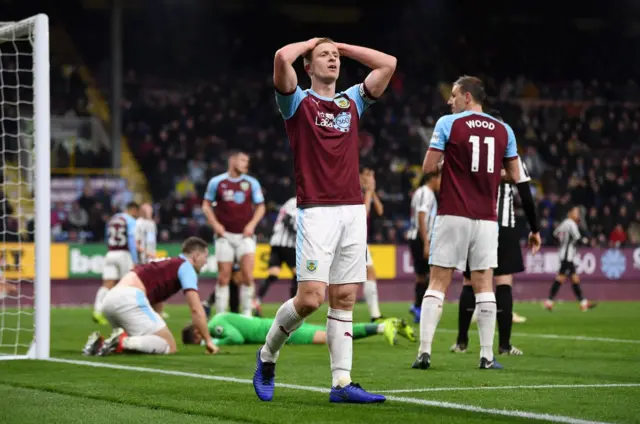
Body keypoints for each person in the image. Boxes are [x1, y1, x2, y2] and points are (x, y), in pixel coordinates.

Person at [253, 37, 396, 404]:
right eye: (324, 56)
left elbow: (388, 64)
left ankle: (341, 384)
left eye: (335, 57)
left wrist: (342, 47)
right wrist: (313, 42)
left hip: (351, 209)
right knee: (311, 299)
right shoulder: (297, 101)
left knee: (345, 297)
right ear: (308, 65)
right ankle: (267, 356)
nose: (332, 60)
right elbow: (280, 55)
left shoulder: (352, 101)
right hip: (316, 210)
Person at [412, 75, 540, 371]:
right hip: (486, 219)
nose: (450, 101)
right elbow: (517, 178)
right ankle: (486, 356)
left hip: (452, 213)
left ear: (467, 97)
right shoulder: (504, 130)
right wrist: (534, 228)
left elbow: (429, 167)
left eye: (454, 95)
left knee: (438, 282)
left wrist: (450, 163)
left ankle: (424, 353)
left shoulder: (448, 123)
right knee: (485, 286)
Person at [451, 110, 541, 357]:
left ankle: (461, 342)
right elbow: (526, 195)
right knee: (503, 283)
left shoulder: (472, 155)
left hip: (476, 223)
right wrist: (535, 229)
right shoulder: (513, 157)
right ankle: (504, 345)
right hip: (505, 225)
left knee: (470, 282)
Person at [82, 237, 217, 356]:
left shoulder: (169, 263)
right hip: (130, 299)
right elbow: (196, 309)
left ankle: (101, 344)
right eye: (205, 256)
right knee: (169, 345)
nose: (205, 262)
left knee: (143, 344)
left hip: (111, 299)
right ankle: (121, 340)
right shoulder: (186, 267)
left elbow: (153, 304)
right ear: (196, 256)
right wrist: (208, 341)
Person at [202, 151, 266, 316]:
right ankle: (221, 316)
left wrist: (252, 225)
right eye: (243, 160)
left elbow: (261, 206)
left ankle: (247, 316)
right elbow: (206, 205)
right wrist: (215, 224)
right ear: (232, 160)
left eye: (247, 160)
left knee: (247, 276)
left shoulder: (252, 183)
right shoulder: (217, 182)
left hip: (245, 236)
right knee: (224, 277)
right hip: (225, 236)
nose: (246, 163)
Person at [182, 312, 411, 347]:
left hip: (281, 330)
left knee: (329, 337)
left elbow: (237, 338)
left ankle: (382, 327)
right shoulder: (218, 317)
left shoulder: (213, 325)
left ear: (196, 333)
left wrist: (209, 343)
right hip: (276, 324)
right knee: (335, 328)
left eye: (198, 339)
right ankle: (383, 325)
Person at [92, 202, 139, 325]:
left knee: (107, 284)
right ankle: (126, 313)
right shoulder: (130, 221)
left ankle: (97, 311)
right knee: (127, 284)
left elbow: (106, 237)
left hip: (111, 253)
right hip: (124, 254)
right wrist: (135, 259)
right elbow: (131, 240)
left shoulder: (112, 219)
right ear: (133, 210)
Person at [544, 206, 596, 312]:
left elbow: (555, 234)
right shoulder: (571, 223)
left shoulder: (564, 223)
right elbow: (578, 238)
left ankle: (583, 302)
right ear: (570, 213)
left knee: (573, 278)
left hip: (565, 254)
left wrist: (562, 241)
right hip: (567, 256)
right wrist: (588, 241)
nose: (577, 215)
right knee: (561, 278)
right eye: (576, 213)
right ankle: (549, 301)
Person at [407, 172, 441, 323]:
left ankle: (418, 306)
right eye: (440, 178)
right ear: (433, 179)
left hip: (421, 238)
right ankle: (419, 307)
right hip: (421, 238)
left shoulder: (425, 193)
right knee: (429, 274)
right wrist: (426, 242)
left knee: (423, 275)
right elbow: (422, 216)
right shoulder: (425, 193)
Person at [258, 197, 298, 302]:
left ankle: (256, 301)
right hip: (287, 244)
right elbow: (288, 219)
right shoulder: (296, 202)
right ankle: (293, 304)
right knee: (298, 275)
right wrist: (297, 233)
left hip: (276, 242)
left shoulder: (289, 201)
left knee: (273, 274)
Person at [360, 168, 384, 322]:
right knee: (369, 273)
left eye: (373, 175)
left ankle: (375, 314)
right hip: (352, 237)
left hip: (360, 239)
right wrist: (369, 193)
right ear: (360, 176)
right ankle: (375, 314)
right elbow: (364, 213)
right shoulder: (354, 191)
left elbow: (380, 211)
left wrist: (372, 193)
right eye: (368, 175)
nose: (371, 178)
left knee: (370, 272)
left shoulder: (366, 192)